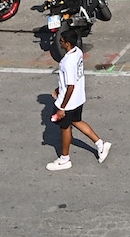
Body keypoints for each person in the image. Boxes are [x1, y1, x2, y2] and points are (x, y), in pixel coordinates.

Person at [45, 25, 111, 170]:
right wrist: (58, 89)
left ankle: (64, 159)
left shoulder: (67, 62)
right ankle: (101, 144)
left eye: (62, 41)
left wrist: (62, 107)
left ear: (67, 43)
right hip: (78, 98)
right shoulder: (78, 52)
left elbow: (70, 86)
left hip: (68, 102)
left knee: (65, 128)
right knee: (77, 121)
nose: (60, 43)